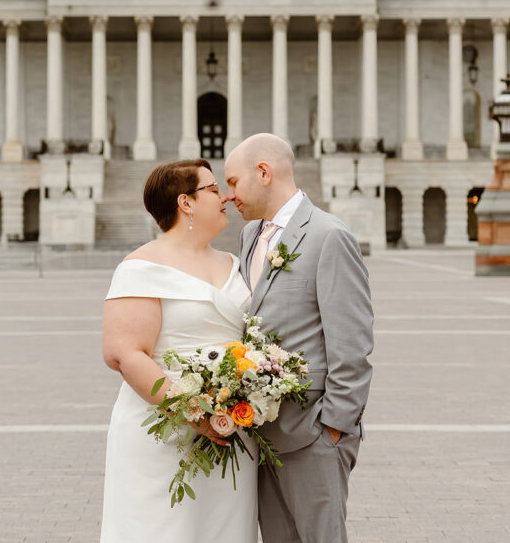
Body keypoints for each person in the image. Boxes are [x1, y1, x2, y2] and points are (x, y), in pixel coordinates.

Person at [224, 133, 374, 543]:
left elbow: (352, 343)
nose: (227, 195)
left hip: (313, 435)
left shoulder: (329, 235)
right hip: (261, 436)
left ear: (264, 172)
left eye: (234, 182)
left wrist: (333, 429)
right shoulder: (249, 236)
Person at [101, 159, 257, 543]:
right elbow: (124, 353)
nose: (225, 197)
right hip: (164, 431)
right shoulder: (141, 266)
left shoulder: (235, 264)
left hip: (230, 432)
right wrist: (194, 412)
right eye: (213, 189)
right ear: (185, 202)